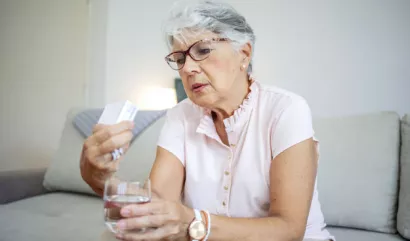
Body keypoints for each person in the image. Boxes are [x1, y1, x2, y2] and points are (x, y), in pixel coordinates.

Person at [80, 0, 335, 240]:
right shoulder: (180, 115)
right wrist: (99, 179)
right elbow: (158, 209)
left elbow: (289, 229)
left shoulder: (286, 110)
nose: (188, 68)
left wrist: (194, 222)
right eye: (179, 59)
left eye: (202, 50)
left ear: (244, 54)